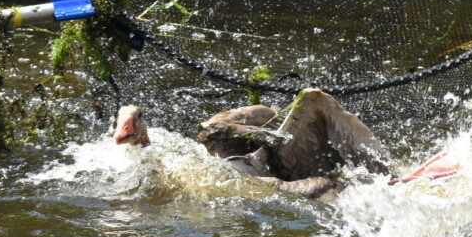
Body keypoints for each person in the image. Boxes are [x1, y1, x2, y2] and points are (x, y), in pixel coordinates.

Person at [113, 88, 454, 198]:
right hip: (270, 175)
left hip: (295, 178)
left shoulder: (213, 140)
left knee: (314, 98)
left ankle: (395, 179)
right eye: (126, 122)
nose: (127, 127)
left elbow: (264, 115)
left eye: (134, 119)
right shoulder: (179, 161)